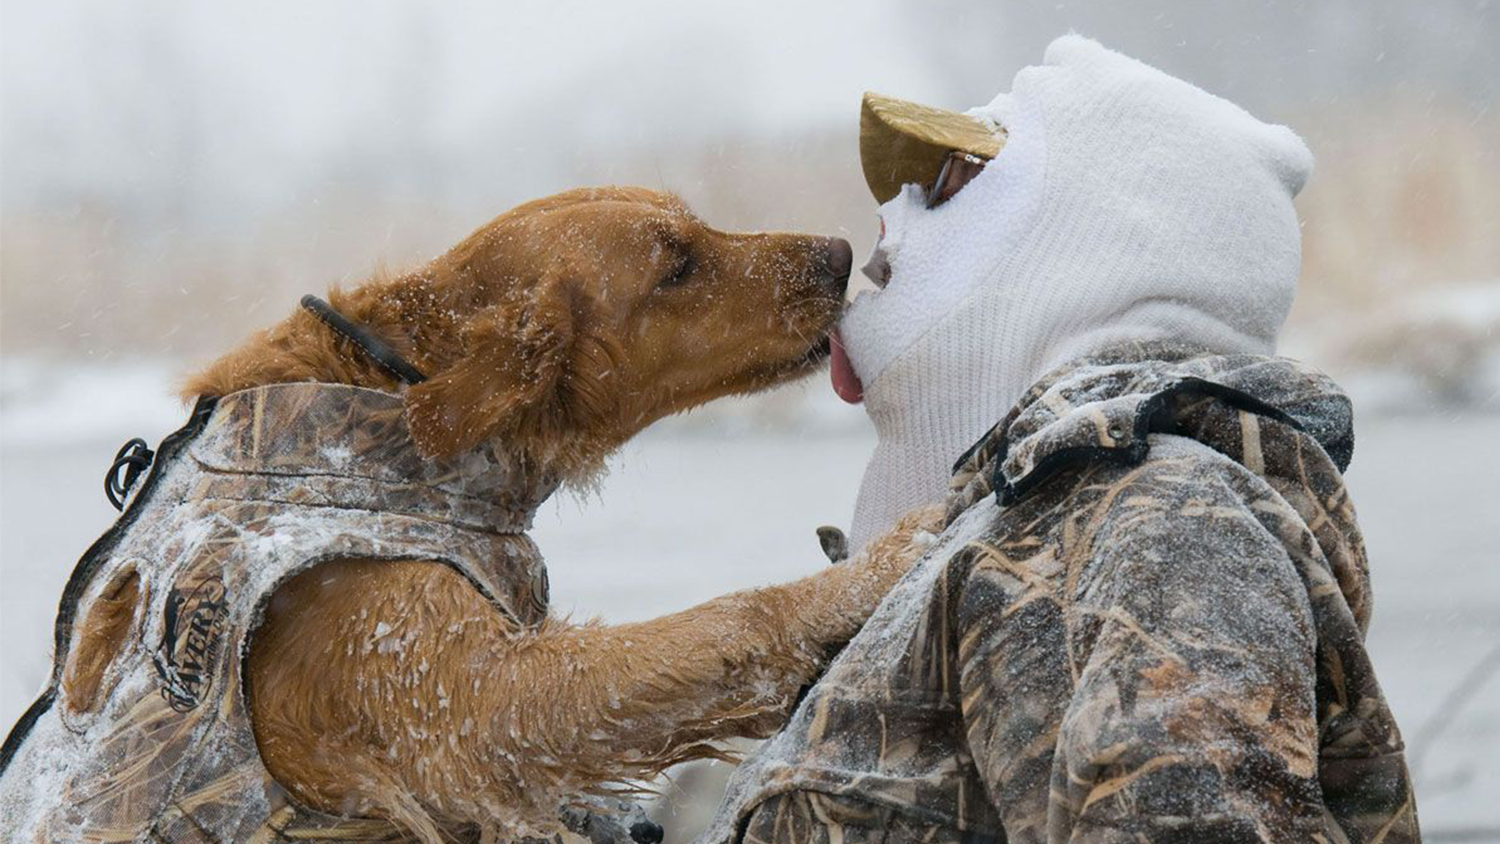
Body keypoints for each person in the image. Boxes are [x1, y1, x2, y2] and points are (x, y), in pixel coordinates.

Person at [696, 35, 1420, 844]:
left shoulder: (1167, 524)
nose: (886, 226)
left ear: (1102, 241)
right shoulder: (1027, 532)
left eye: (945, 189)